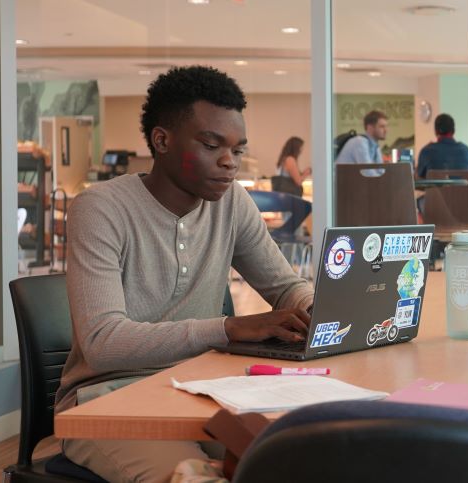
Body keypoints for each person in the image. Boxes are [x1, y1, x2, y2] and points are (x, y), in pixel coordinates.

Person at [56, 65, 314, 483]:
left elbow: (285, 287)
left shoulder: (232, 203)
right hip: (106, 400)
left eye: (237, 149)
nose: (230, 162)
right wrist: (229, 328)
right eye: (213, 145)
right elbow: (103, 344)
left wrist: (318, 309)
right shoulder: (100, 209)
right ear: (162, 140)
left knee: (295, 462)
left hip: (200, 388)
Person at [416, 113, 468, 178]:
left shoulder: (426, 151)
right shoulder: (465, 150)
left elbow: (418, 178)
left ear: (436, 131)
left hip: (435, 188)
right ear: (454, 131)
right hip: (462, 188)